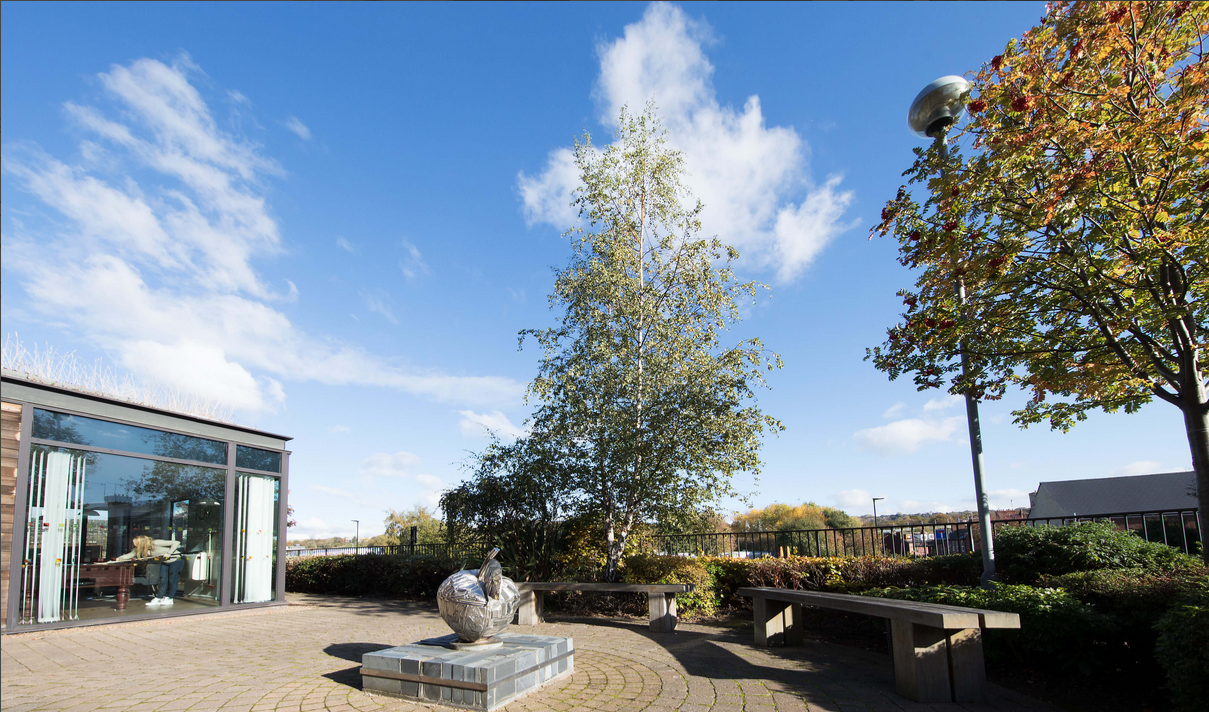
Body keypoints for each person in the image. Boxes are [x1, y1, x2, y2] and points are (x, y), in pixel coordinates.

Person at [115, 535, 183, 606]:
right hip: (164, 562)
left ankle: (169, 598)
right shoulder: (142, 549)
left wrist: (169, 553)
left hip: (176, 560)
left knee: (172, 580)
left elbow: (176, 542)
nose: (134, 545)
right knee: (162, 580)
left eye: (136, 543)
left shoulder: (155, 543)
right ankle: (159, 598)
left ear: (142, 542)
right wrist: (118, 559)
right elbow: (130, 555)